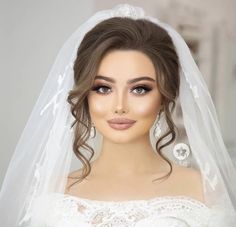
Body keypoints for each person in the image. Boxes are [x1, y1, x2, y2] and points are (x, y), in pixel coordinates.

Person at [0, 4, 236, 227]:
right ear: (86, 95)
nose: (119, 106)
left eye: (140, 89)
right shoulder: (50, 196)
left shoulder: (204, 192)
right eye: (103, 88)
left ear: (165, 96)